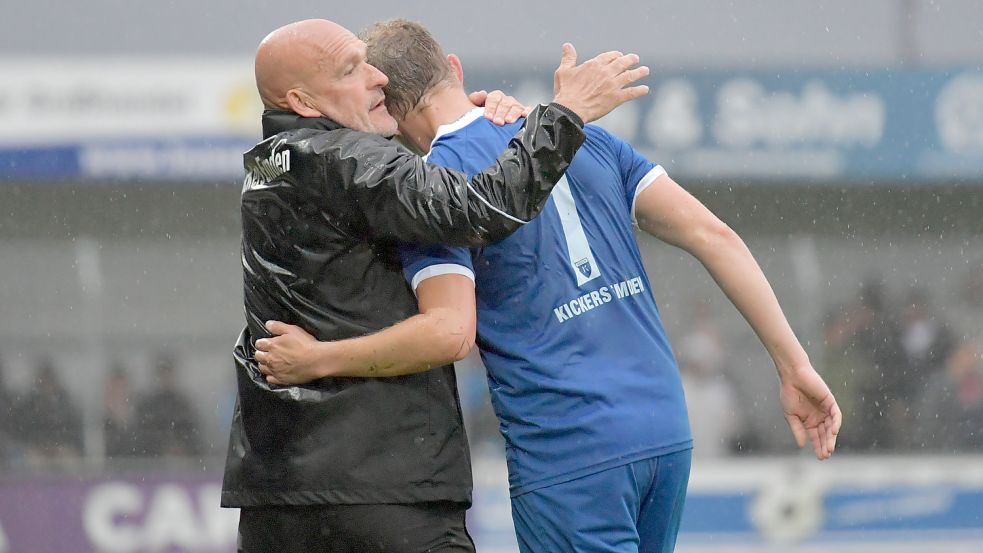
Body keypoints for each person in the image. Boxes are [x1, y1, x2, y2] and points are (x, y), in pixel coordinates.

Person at [255, 19, 841, 553]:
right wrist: (792, 365)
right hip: (663, 430)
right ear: (455, 69)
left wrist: (320, 360)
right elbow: (715, 235)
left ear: (384, 104)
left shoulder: (431, 192)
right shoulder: (578, 137)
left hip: (569, 448)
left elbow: (449, 331)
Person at [224, 17, 650, 553]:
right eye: (353, 69)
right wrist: (563, 116)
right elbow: (480, 208)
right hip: (380, 488)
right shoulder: (351, 160)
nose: (378, 77)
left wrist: (463, 126)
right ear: (303, 101)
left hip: (276, 494)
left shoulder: (268, 166)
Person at [135, 354, 202, 457]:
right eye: (162, 374)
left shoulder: (183, 405)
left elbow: (192, 434)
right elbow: (143, 437)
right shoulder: (148, 407)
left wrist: (181, 448)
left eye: (168, 373)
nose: (165, 378)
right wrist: (161, 450)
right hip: (153, 462)